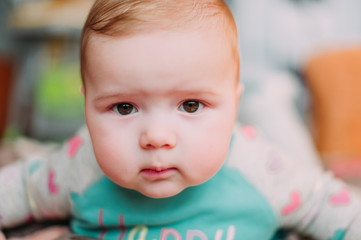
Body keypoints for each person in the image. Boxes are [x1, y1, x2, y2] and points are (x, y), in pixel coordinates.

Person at [0, 0, 361, 239]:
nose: (157, 137)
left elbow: (338, 210)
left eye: (190, 105)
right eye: (124, 107)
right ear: (87, 107)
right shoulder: (79, 165)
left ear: (234, 106)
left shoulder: (262, 169)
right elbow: (17, 191)